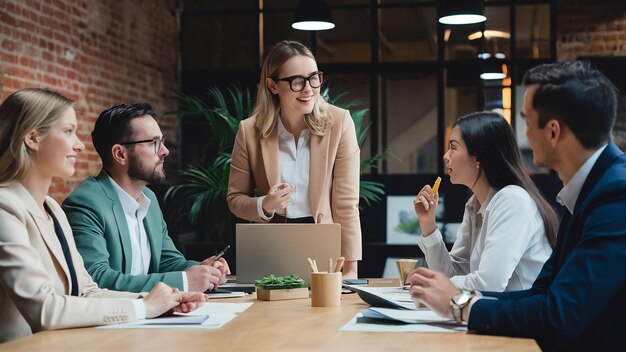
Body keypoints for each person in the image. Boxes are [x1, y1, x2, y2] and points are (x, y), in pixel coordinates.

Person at [408, 61, 626, 351]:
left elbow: (557, 316)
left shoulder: (615, 195)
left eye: (526, 120)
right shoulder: (589, 190)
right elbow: (540, 294)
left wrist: (459, 303)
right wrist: (454, 298)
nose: (522, 133)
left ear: (552, 131)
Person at [0, 88, 207, 342]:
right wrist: (143, 308)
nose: (79, 144)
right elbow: (44, 309)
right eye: (68, 131)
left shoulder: (53, 209)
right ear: (33, 139)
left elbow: (87, 291)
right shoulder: (5, 207)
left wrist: (162, 301)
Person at [226, 40, 362, 279]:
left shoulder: (340, 123)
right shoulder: (249, 131)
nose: (309, 89)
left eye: (314, 78)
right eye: (297, 81)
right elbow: (235, 199)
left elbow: (346, 204)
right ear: (272, 85)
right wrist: (264, 205)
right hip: (271, 248)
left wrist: (350, 270)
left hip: (324, 247)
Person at [62, 103, 229, 293]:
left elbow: (168, 261)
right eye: (153, 143)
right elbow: (96, 278)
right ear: (120, 154)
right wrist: (183, 281)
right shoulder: (85, 203)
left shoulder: (148, 198)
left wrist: (200, 269)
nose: (165, 151)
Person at [413, 111, 557, 292]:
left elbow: (490, 284)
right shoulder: (475, 204)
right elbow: (450, 275)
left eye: (453, 147)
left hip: (522, 317)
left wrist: (431, 284)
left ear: (478, 157)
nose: (446, 156)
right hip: (493, 314)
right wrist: (428, 223)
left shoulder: (512, 201)